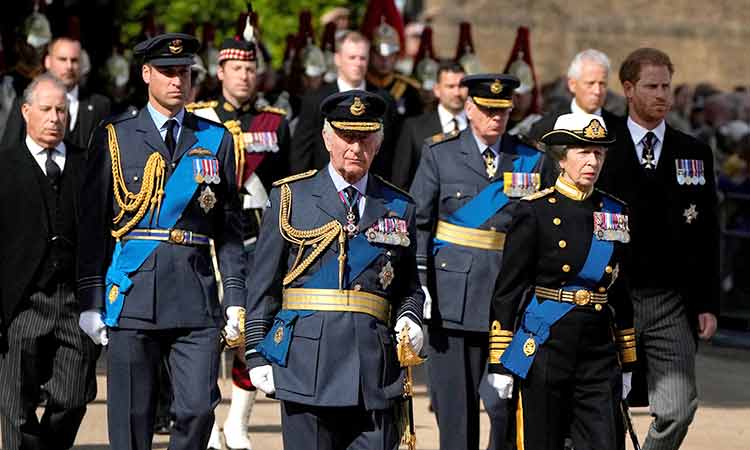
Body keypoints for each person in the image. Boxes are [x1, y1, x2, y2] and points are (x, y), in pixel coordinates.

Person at [76, 33, 247, 450]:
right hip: (133, 294)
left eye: (185, 73)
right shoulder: (116, 135)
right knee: (132, 417)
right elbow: (94, 223)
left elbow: (228, 228)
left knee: (197, 409)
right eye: (168, 72)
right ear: (146, 74)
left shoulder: (216, 139)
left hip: (194, 294)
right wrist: (90, 300)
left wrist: (236, 296)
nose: (178, 81)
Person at [244, 90, 424, 449]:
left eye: (365, 137)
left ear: (379, 141)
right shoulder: (291, 197)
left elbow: (409, 287)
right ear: (327, 138)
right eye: (346, 136)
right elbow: (263, 283)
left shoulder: (399, 206)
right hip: (307, 366)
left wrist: (410, 316)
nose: (355, 148)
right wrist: (254, 352)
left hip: (373, 370)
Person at [409, 74, 551, 450]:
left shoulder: (531, 158)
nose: (495, 118)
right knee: (456, 410)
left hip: (511, 297)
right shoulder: (440, 153)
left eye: (502, 111)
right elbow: (418, 221)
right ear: (469, 108)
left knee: (505, 404)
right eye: (487, 110)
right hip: (452, 296)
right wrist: (421, 282)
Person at [487, 112, 635, 450]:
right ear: (561, 158)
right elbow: (509, 289)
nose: (592, 161)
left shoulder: (614, 210)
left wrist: (628, 361)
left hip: (597, 351)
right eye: (582, 151)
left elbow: (621, 289)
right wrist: (499, 361)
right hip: (546, 346)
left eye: (598, 153)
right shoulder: (535, 210)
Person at [597, 47, 719, 450]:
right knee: (603, 402)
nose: (661, 95)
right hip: (614, 297)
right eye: (651, 86)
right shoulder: (602, 149)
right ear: (628, 89)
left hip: (672, 300)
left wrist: (708, 303)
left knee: (678, 407)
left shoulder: (693, 152)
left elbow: (707, 234)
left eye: (666, 86)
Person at [188, 34, 291, 450]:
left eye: (251, 68)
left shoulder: (275, 121)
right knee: (211, 331)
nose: (245, 75)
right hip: (214, 235)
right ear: (220, 72)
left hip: (260, 235)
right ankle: (210, 424)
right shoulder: (200, 118)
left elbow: (285, 182)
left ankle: (239, 422)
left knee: (253, 326)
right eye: (237, 68)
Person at [0, 73, 96, 450]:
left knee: (73, 398)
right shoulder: (4, 167)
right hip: (20, 304)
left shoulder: (87, 164)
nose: (55, 117)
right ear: (26, 111)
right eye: (46, 109)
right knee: (15, 405)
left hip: (74, 302)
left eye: (61, 109)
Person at [289, 31, 396, 178]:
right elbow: (301, 152)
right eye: (352, 57)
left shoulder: (383, 100)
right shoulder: (316, 99)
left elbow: (392, 151)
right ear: (337, 59)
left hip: (373, 189)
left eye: (362, 58)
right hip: (323, 189)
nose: (357, 63)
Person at [1, 37, 111, 149]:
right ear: (47, 61)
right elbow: (9, 150)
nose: (69, 66)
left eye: (74, 60)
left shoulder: (100, 105)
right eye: (62, 59)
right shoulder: (26, 101)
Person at [392, 61, 467, 190]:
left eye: (461, 86)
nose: (457, 93)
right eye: (450, 86)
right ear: (437, 90)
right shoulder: (413, 128)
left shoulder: (478, 126)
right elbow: (400, 180)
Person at [529, 49, 620, 143]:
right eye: (590, 83)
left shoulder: (621, 129)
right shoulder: (546, 128)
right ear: (572, 85)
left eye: (602, 84)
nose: (597, 91)